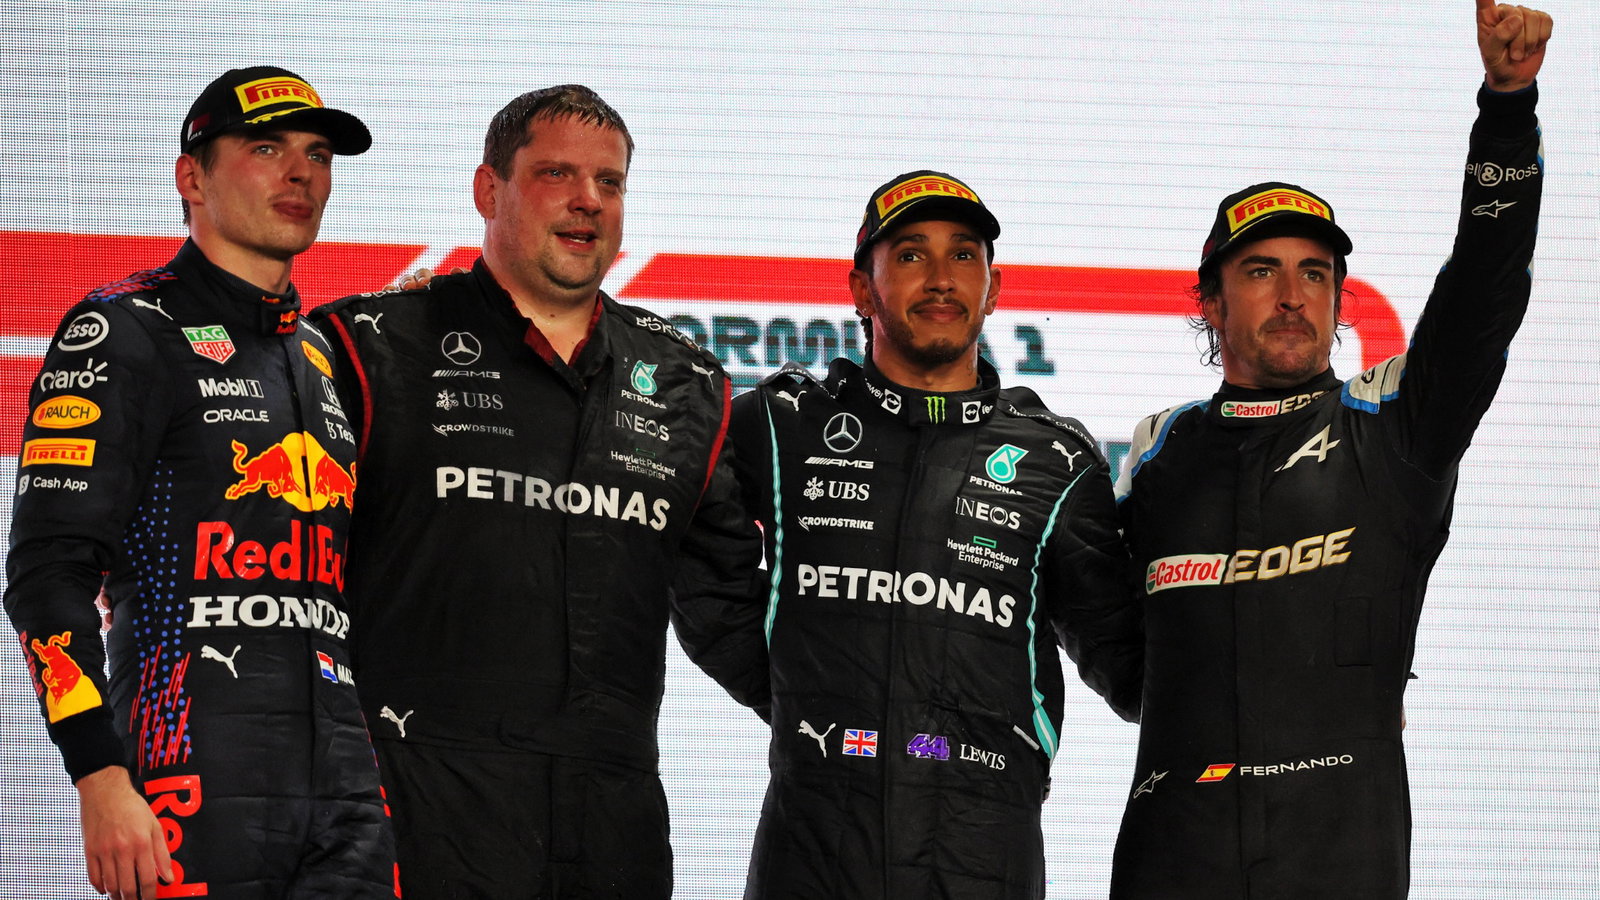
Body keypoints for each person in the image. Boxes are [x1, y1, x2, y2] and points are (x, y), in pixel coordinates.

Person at [1109, 3, 1551, 896]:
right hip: (1171, 861)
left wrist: (1507, 108)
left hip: (1341, 862)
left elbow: (1484, 292)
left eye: (1316, 274)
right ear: (1210, 303)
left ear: (1340, 300)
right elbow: (1119, 662)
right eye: (1262, 271)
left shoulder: (1393, 430)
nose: (1292, 295)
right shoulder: (1156, 457)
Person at [312, 84, 760, 898]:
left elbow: (732, 613)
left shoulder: (689, 386)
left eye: (611, 182)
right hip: (411, 813)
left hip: (612, 828)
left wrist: (870, 727)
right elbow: (276, 572)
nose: (589, 200)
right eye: (557, 174)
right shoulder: (367, 347)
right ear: (490, 191)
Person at [691, 171, 1142, 898]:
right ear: (862, 289)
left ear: (994, 288)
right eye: (910, 255)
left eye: (965, 255)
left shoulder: (1055, 459)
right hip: (811, 846)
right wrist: (795, 694)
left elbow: (1135, 669)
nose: (940, 278)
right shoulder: (782, 425)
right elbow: (681, 537)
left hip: (984, 848)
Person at [5, 66, 395, 899]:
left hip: (347, 791)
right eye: (265, 147)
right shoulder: (124, 328)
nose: (300, 173)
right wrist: (98, 775)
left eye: (318, 153)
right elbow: (47, 575)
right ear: (192, 177)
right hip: (186, 770)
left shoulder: (326, 358)